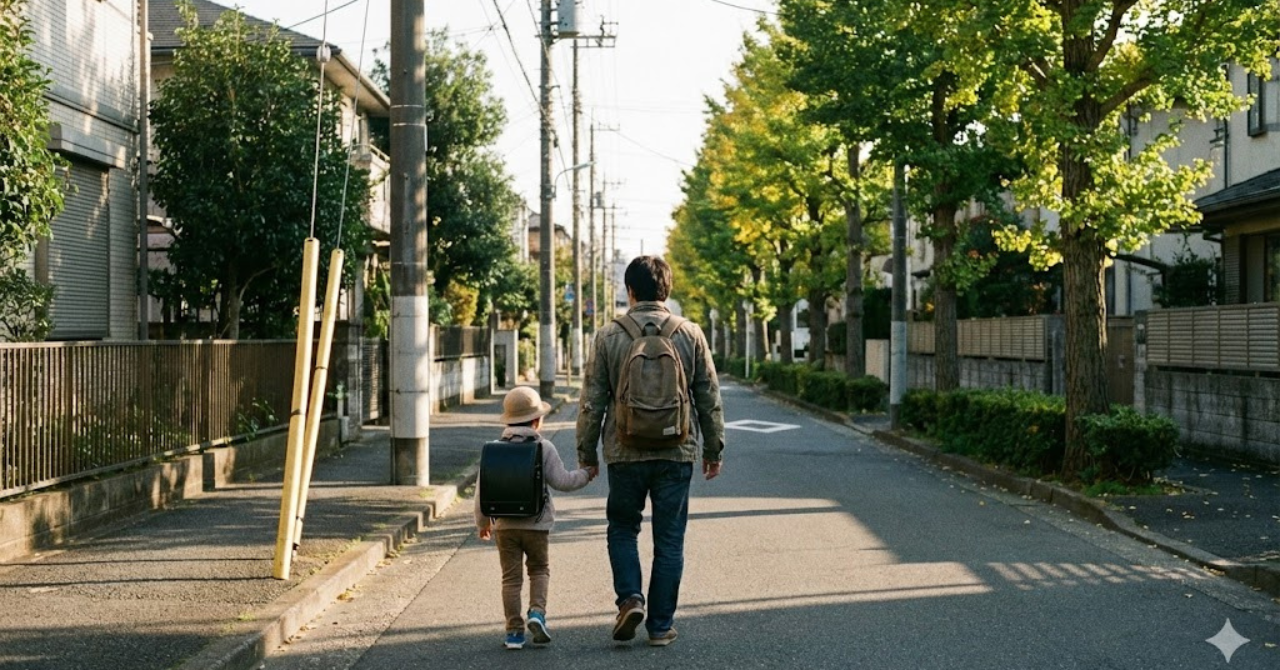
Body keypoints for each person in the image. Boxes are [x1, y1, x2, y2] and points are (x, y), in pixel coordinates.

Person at [577, 255, 725, 647]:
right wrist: (713, 448)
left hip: (624, 451)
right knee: (670, 539)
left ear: (630, 291)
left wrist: (586, 452)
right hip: (676, 451)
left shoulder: (609, 335)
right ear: (668, 290)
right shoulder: (690, 334)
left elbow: (592, 399)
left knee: (623, 528)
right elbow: (708, 397)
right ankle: (660, 626)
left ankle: (629, 599)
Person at [475, 386, 596, 650]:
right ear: (537, 420)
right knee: (539, 569)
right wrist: (586, 474)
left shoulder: (493, 450)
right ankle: (537, 614)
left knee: (510, 579)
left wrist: (483, 523)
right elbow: (562, 481)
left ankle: (514, 633)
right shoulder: (544, 447)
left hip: (505, 526)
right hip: (537, 524)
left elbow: (481, 491)